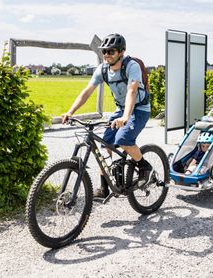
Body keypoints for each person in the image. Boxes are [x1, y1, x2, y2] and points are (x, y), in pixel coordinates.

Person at [61, 33, 152, 198]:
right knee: (105, 145)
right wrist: (70, 111)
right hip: (121, 110)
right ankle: (104, 188)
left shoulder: (131, 66)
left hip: (139, 109)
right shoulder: (102, 69)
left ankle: (144, 166)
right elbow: (87, 91)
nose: (107, 55)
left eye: (111, 51)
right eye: (104, 52)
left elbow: (132, 91)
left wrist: (125, 117)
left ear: (121, 52)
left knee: (123, 139)